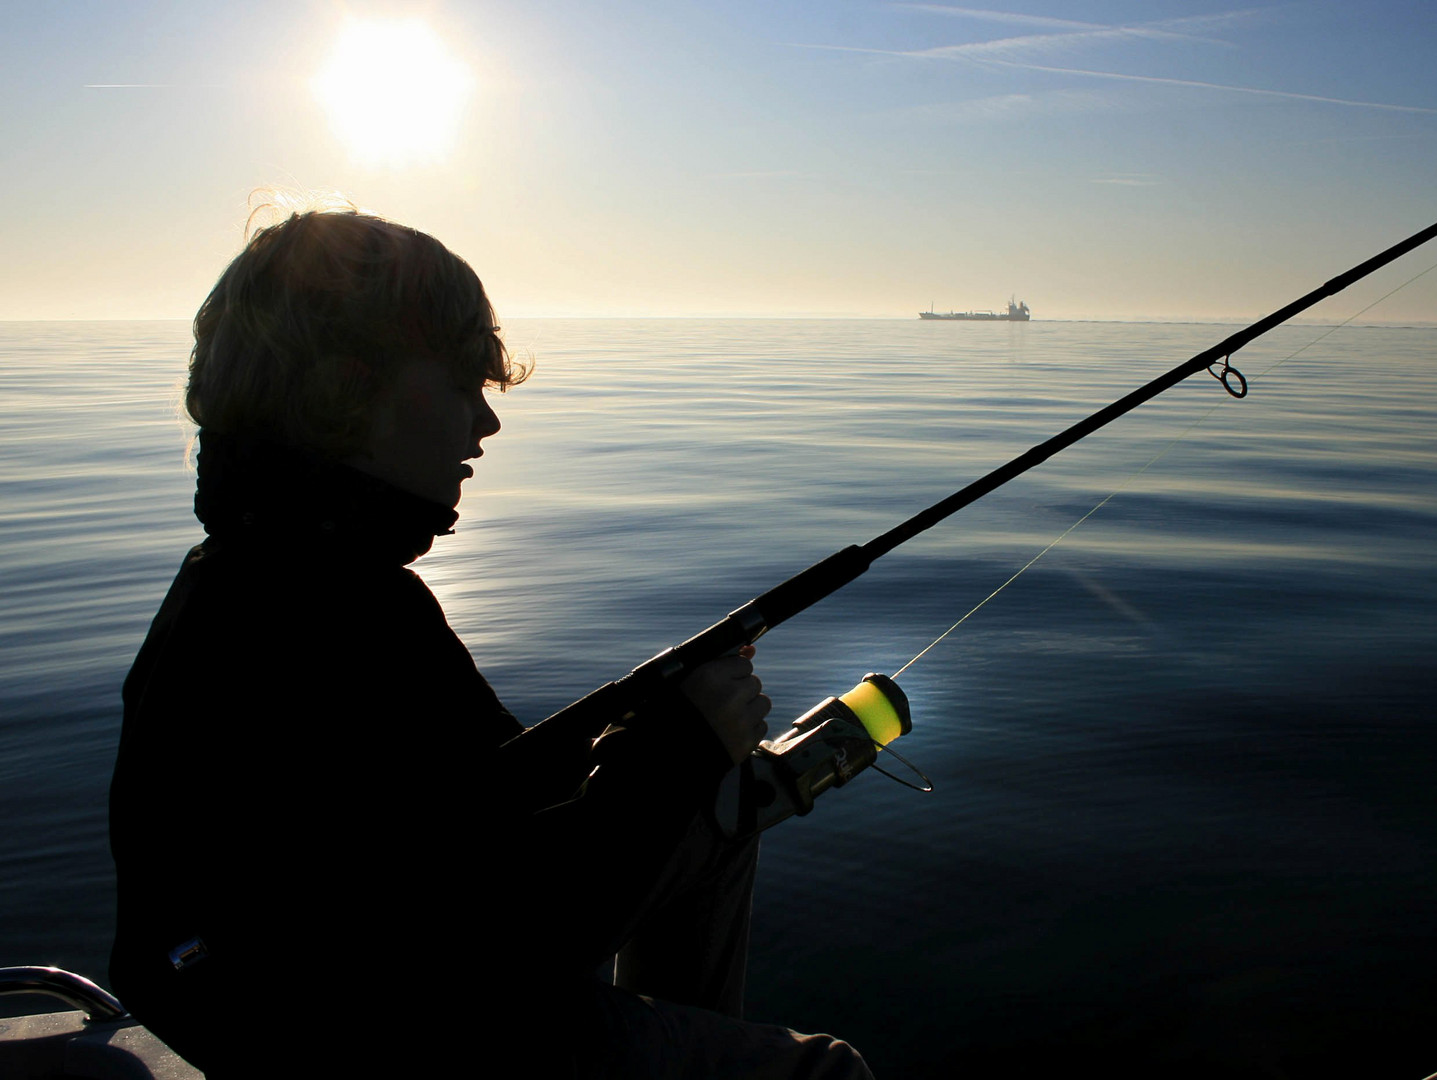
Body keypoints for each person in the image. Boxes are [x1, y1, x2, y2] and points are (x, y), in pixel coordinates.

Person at [108, 206, 873, 1077]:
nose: (487, 423)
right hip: (375, 1034)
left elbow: (470, 809)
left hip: (354, 988)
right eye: (464, 381)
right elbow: (517, 930)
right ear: (345, 391)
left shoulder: (280, 579)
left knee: (717, 807)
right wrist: (671, 751)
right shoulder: (313, 620)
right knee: (826, 1074)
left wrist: (647, 733)